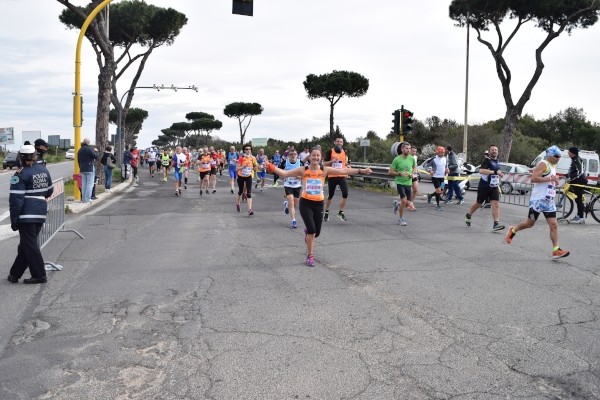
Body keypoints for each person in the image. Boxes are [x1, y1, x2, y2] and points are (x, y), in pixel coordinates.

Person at [266, 146, 372, 267]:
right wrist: (270, 166)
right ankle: (310, 256)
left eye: (318, 155)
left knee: (316, 233)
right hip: (306, 203)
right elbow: (284, 173)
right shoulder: (303, 170)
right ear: (309, 157)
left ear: (321, 158)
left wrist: (361, 171)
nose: (316, 157)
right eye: (313, 155)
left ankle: (309, 234)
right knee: (312, 230)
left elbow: (343, 171)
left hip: (319, 203)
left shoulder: (324, 170)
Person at [505, 146, 570, 259]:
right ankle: (513, 230)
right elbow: (534, 178)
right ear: (550, 155)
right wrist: (551, 179)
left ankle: (556, 250)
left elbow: (550, 180)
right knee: (530, 223)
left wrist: (555, 182)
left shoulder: (553, 166)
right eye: (556, 156)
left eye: (560, 156)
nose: (558, 158)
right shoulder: (543, 164)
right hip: (538, 200)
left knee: (554, 225)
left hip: (549, 200)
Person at [7, 145, 54, 284]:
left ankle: (39, 275)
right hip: (40, 212)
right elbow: (49, 191)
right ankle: (14, 274)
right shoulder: (44, 170)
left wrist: (14, 219)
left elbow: (16, 200)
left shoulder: (19, 174)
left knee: (30, 245)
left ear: (20, 157)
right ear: (35, 155)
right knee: (26, 245)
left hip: (26, 215)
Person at [464, 145, 506, 231]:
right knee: (479, 203)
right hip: (484, 186)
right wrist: (494, 172)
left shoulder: (497, 161)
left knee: (496, 204)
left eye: (495, 150)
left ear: (497, 152)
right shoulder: (487, 160)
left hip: (493, 186)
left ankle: (496, 224)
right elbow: (481, 170)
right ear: (489, 152)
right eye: (492, 150)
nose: (494, 151)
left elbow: (496, 171)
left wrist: (500, 174)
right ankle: (468, 214)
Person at [389, 142, 417, 226]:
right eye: (406, 148)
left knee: (408, 203)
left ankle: (397, 204)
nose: (408, 150)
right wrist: (399, 174)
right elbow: (390, 171)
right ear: (402, 149)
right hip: (400, 182)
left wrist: (413, 173)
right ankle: (400, 219)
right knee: (404, 200)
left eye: (409, 148)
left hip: (408, 182)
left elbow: (414, 167)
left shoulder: (411, 158)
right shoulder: (397, 159)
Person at [323, 136, 350, 221]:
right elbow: (324, 164)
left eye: (341, 142)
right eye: (337, 141)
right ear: (334, 142)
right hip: (332, 176)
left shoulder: (344, 152)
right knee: (331, 195)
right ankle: (326, 211)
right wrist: (332, 161)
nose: (339, 143)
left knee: (345, 194)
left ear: (342, 143)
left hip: (342, 175)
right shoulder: (330, 151)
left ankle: (341, 212)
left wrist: (348, 167)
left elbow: (345, 163)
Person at [281, 147, 302, 229]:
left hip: (297, 185)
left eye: (294, 154)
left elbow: (305, 174)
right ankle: (293, 220)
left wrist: (300, 177)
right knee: (291, 201)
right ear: (288, 156)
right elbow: (280, 172)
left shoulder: (301, 163)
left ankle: (286, 205)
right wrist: (282, 176)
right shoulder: (284, 163)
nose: (293, 155)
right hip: (288, 184)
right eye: (291, 154)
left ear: (297, 155)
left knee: (295, 203)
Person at [235, 144, 258, 215]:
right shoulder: (241, 158)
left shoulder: (253, 158)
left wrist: (254, 168)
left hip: (249, 176)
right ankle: (238, 203)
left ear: (251, 150)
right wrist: (243, 166)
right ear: (244, 150)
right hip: (241, 176)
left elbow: (256, 167)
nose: (248, 150)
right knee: (240, 191)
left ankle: (249, 209)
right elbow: (237, 169)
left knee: (249, 193)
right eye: (246, 149)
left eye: (249, 149)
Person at [566, 146, 587, 224]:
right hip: (576, 181)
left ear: (572, 153)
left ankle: (580, 217)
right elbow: (573, 171)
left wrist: (571, 179)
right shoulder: (574, 159)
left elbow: (580, 172)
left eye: (569, 152)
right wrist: (566, 176)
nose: (568, 153)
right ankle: (580, 213)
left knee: (578, 199)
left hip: (579, 181)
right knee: (578, 199)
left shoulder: (576, 160)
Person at [424, 146, 448, 211]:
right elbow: (426, 166)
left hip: (442, 177)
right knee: (438, 191)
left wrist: (447, 169)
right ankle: (438, 205)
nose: (442, 154)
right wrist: (430, 171)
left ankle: (430, 195)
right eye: (441, 152)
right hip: (435, 177)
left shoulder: (445, 158)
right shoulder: (434, 159)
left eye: (443, 152)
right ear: (438, 152)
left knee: (442, 191)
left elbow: (445, 166)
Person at [77, 138, 99, 203]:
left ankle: (83, 198)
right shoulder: (90, 149)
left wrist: (80, 167)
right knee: (90, 184)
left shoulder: (80, 150)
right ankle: (87, 198)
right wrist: (96, 151)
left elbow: (78, 160)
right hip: (89, 168)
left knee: (84, 184)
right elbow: (96, 157)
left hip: (82, 169)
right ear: (88, 143)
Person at [408, 146, 419, 211]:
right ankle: (408, 203)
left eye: (415, 151)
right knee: (408, 191)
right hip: (407, 175)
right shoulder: (407, 157)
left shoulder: (415, 157)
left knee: (415, 189)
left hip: (414, 175)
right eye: (413, 151)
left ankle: (411, 202)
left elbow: (415, 166)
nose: (414, 152)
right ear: (410, 150)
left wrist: (414, 172)